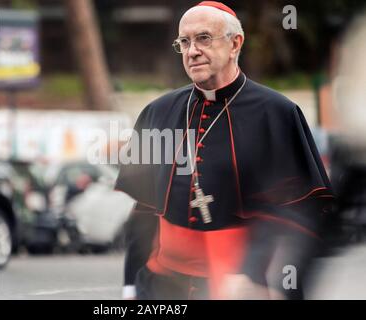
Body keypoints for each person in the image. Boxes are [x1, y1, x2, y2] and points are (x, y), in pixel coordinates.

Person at [115, 1, 334, 300]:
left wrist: (266, 276)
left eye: (204, 38)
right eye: (184, 42)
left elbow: (298, 213)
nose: (192, 51)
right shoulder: (158, 113)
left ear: (235, 44)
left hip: (248, 284)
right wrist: (130, 285)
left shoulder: (277, 114)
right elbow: (144, 211)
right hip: (164, 285)